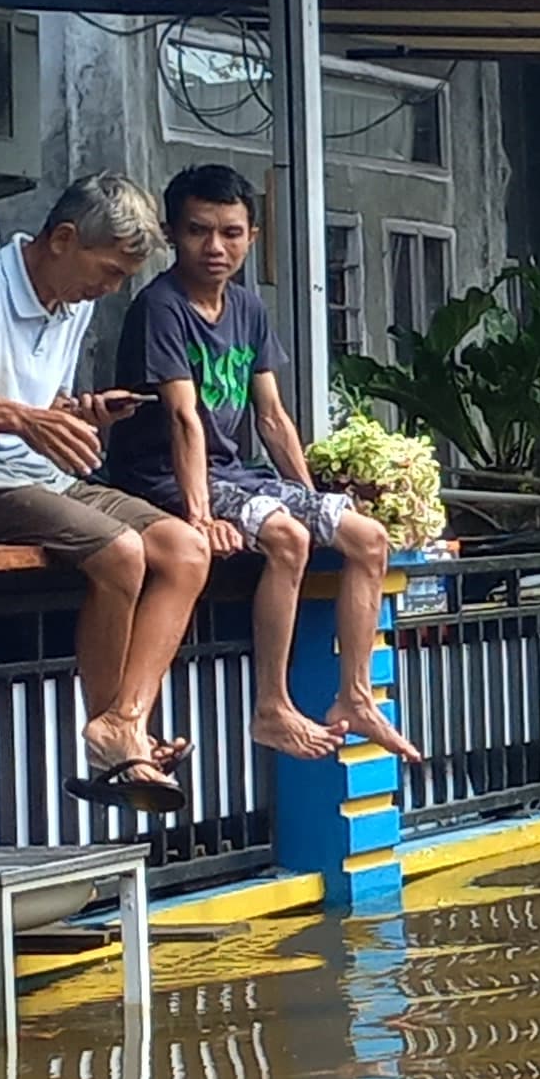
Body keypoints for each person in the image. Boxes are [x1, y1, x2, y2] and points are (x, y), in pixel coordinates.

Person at [0, 173, 202, 811]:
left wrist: (78, 412)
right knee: (121, 553)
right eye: (107, 272)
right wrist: (23, 420)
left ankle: (126, 720)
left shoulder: (71, 305)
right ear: (62, 238)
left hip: (37, 474)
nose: (107, 291)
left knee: (185, 549)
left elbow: (35, 402)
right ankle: (113, 740)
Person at [105, 164, 424, 769]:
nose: (216, 247)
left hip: (234, 473)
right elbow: (183, 420)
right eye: (200, 231)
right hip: (165, 479)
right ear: (173, 234)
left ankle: (354, 697)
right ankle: (272, 706)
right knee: (285, 537)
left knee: (364, 534)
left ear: (252, 236)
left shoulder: (248, 307)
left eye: (231, 232)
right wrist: (199, 516)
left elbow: (273, 416)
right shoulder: (160, 308)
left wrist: (313, 500)